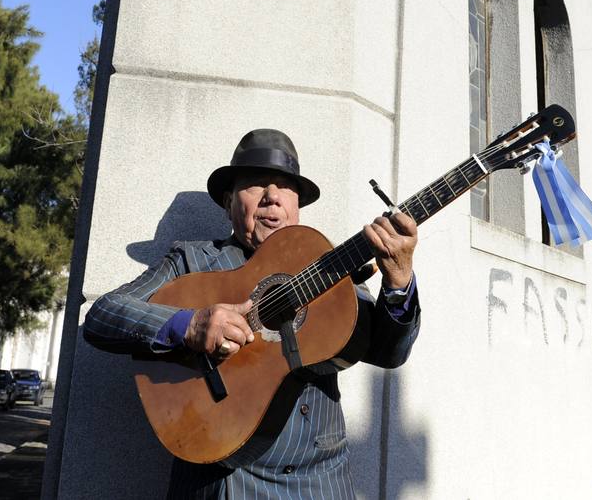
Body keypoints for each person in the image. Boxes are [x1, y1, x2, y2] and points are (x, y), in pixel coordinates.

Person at [84, 128, 420, 499]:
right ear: (229, 200)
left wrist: (399, 280)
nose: (272, 197)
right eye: (256, 184)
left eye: (284, 187)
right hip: (223, 479)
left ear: (296, 205)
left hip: (320, 481)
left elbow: (390, 352)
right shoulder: (192, 261)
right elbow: (104, 314)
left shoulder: (328, 265)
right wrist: (189, 325)